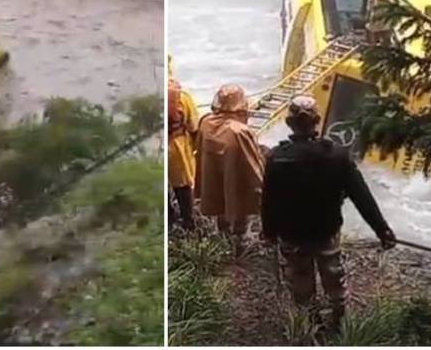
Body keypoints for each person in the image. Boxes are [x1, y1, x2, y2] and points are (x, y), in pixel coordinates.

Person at [261, 96, 396, 327]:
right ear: (317, 121)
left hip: (292, 234)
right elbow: (362, 197)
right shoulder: (337, 156)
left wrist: (269, 232)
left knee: (300, 279)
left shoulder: (277, 158)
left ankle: (309, 323)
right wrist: (382, 230)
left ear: (288, 123)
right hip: (326, 230)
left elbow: (269, 202)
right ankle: (339, 319)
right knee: (333, 275)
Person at [195, 84, 265, 255]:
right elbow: (253, 163)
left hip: (212, 177)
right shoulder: (240, 130)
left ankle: (223, 240)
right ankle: (240, 245)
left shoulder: (206, 122)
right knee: (240, 209)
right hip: (237, 178)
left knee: (220, 206)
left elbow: (198, 151)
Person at [167, 56, 199, 231]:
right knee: (183, 186)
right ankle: (188, 222)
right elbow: (193, 124)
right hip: (177, 146)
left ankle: (168, 219)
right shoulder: (181, 96)